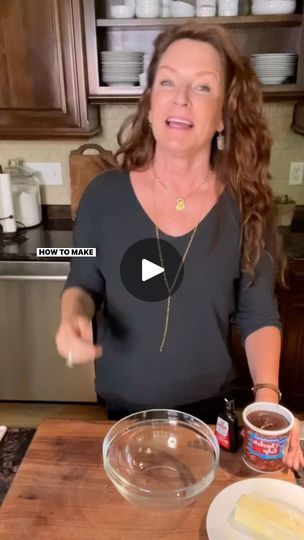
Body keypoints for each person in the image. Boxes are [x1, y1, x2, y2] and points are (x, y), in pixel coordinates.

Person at [56, 23, 303, 470]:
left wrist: (270, 402)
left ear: (225, 115)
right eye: (167, 81)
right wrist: (72, 315)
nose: (181, 97)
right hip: (121, 410)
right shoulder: (102, 196)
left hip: (212, 414)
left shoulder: (249, 207)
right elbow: (82, 278)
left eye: (202, 87)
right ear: (150, 101)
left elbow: (258, 312)